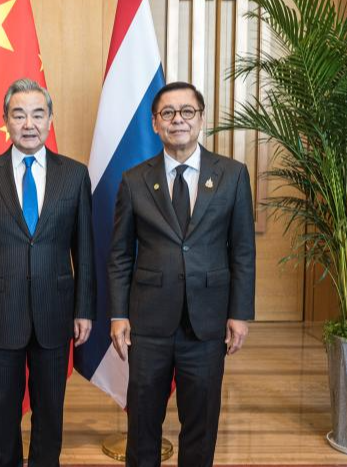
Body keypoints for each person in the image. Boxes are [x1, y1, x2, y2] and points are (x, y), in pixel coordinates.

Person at [107, 81, 255, 467]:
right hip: (149, 323)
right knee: (142, 425)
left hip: (206, 323)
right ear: (155, 124)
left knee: (201, 425)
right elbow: (120, 255)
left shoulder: (233, 175)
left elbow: (242, 250)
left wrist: (239, 313)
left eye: (187, 111)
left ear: (201, 119)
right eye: (168, 113)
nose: (178, 120)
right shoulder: (134, 180)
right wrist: (119, 314)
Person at [0, 78, 96, 467]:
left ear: (50, 120)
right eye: (19, 114)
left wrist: (84, 308)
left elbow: (83, 248)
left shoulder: (75, 174)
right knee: (2, 411)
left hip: (56, 310)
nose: (29, 123)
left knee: (51, 410)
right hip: (0, 312)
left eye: (38, 114)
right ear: (5, 120)